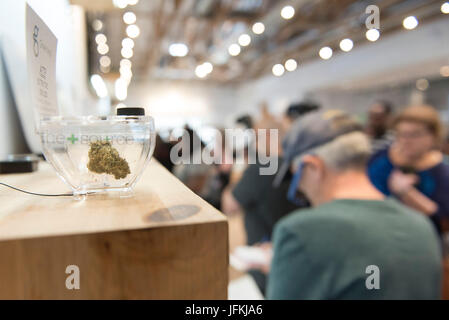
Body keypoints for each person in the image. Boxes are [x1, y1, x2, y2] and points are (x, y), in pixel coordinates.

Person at [265, 110, 442, 299]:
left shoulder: (301, 230)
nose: (302, 190)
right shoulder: (422, 227)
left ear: (313, 167)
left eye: (296, 179)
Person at [221, 113, 302, 296]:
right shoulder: (298, 166)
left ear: (267, 136)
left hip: (264, 261)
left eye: (256, 137)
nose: (254, 143)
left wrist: (241, 173)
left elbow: (230, 205)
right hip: (296, 256)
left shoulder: (261, 168)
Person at [368, 105, 449, 234]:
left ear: (433, 135)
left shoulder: (442, 172)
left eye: (414, 134)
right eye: (401, 134)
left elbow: (443, 221)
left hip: (420, 240)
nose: (406, 141)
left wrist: (407, 193)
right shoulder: (379, 159)